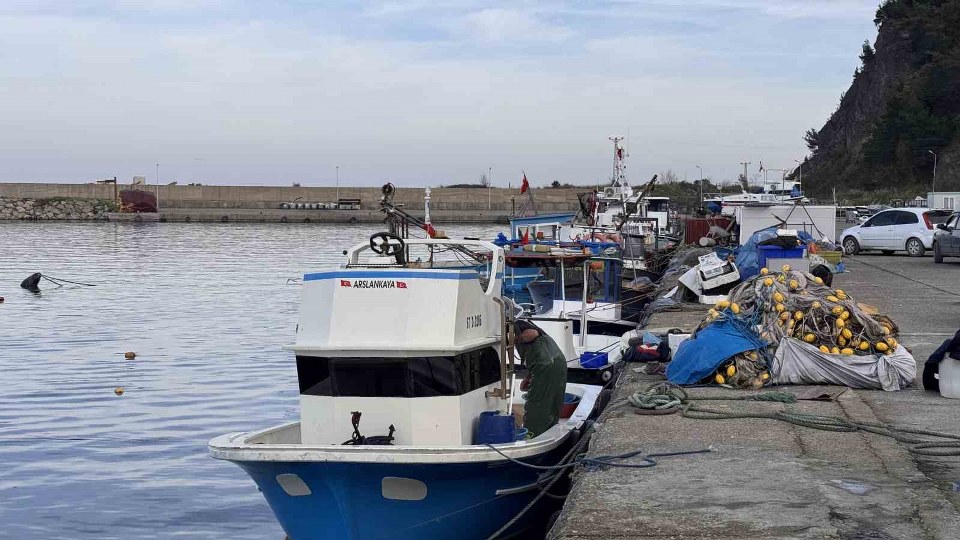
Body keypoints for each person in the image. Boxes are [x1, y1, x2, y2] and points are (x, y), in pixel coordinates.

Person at [514, 319, 567, 437]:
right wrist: (528, 377)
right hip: (559, 362)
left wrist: (512, 340)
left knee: (537, 402)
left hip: (545, 365)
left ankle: (532, 434)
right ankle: (549, 429)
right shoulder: (542, 337)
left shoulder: (518, 326)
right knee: (554, 400)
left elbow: (532, 334)